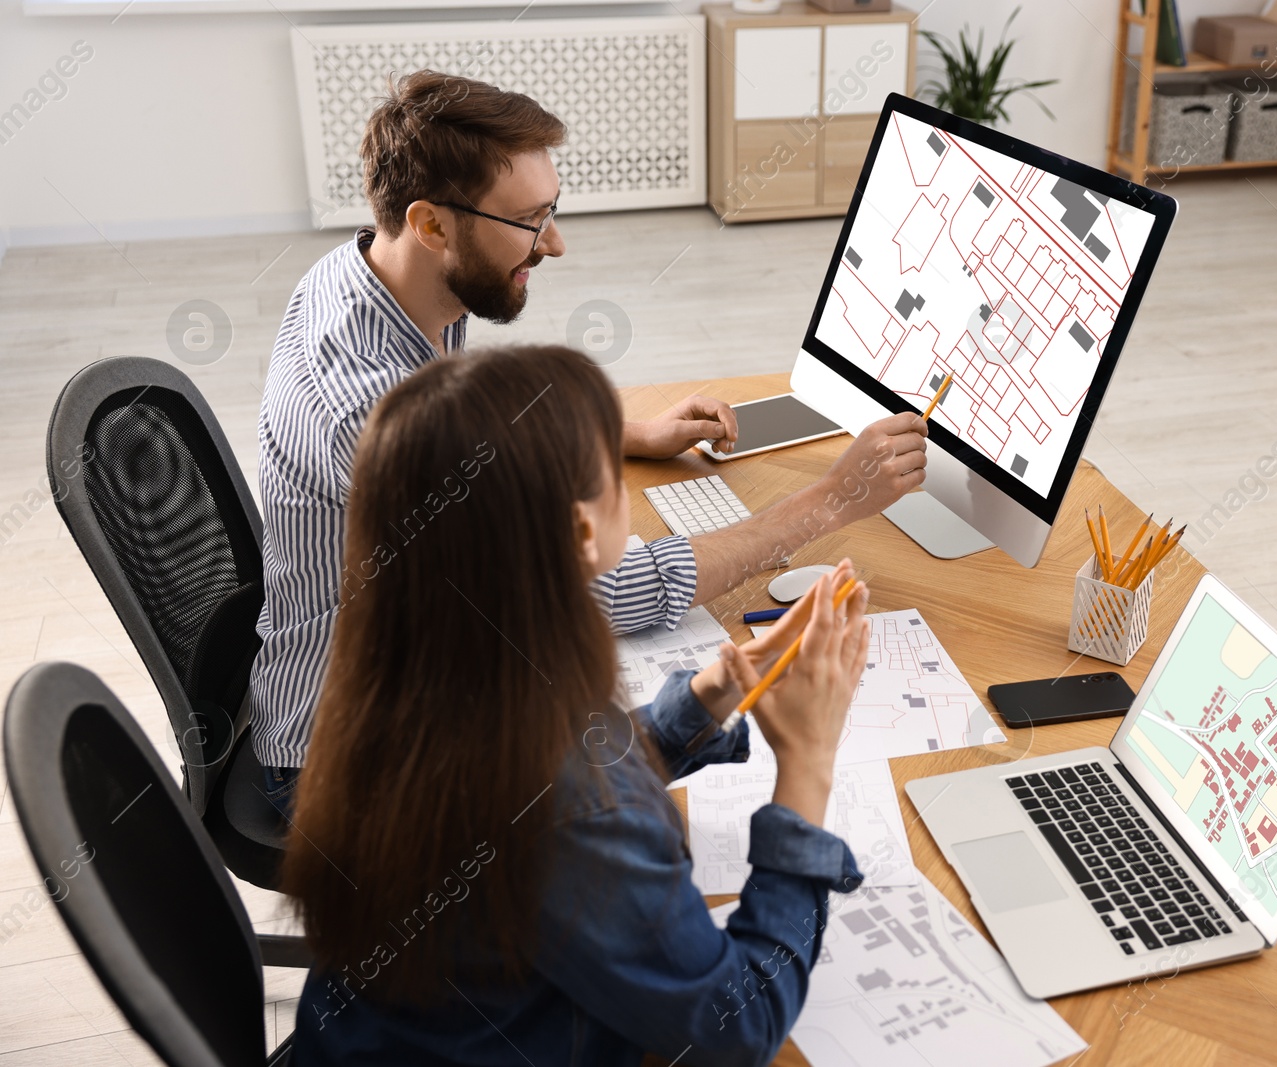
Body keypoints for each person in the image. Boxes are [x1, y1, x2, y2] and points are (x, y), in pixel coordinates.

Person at [251, 69, 929, 807]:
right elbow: (604, 591)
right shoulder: (374, 415)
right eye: (529, 220)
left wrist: (625, 431)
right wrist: (832, 501)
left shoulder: (375, 279)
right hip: (349, 771)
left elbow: (474, 424)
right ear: (432, 224)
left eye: (552, 210)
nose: (556, 244)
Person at [282, 343, 869, 1066]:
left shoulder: (406, 674)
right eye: (615, 476)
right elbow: (734, 1026)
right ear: (584, 532)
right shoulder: (576, 812)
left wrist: (704, 700)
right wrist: (806, 766)